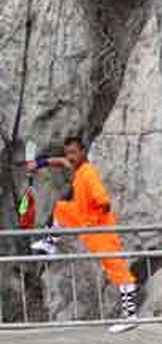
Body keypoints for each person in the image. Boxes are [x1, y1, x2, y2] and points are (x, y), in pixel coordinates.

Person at [27, 136, 142, 328]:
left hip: (98, 229)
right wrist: (38, 163)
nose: (69, 157)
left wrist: (98, 220)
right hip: (82, 218)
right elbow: (60, 161)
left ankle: (130, 317)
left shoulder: (88, 174)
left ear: (83, 152)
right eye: (68, 152)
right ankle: (50, 242)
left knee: (117, 268)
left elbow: (104, 201)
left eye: (73, 152)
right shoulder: (77, 168)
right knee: (62, 208)